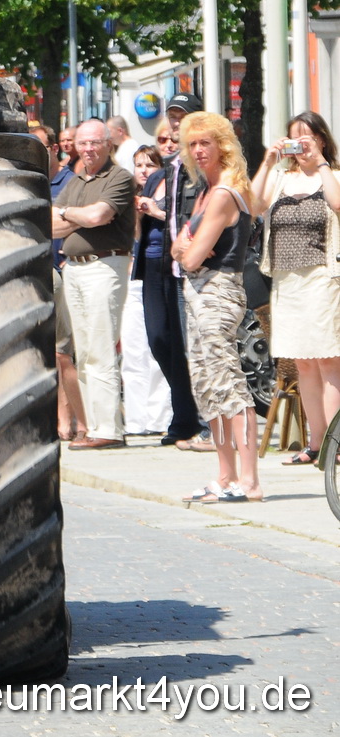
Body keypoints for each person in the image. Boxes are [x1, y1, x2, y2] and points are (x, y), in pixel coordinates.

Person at [172, 113, 261, 502]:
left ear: (222, 144)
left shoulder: (224, 193)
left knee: (227, 382)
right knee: (206, 385)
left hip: (218, 291)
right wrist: (186, 249)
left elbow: (189, 257)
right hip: (197, 293)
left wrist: (187, 250)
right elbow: (182, 249)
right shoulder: (206, 191)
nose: (198, 150)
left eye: (205, 142)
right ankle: (225, 476)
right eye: (192, 144)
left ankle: (250, 481)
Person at [250, 112, 340, 467]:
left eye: (307, 138)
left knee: (329, 360)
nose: (300, 146)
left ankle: (336, 443)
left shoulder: (331, 175)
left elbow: (337, 203)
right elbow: (253, 205)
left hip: (322, 277)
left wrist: (320, 165)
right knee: (302, 362)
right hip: (286, 280)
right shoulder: (281, 178)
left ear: (320, 139)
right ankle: (317, 442)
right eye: (294, 139)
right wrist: (268, 161)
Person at [53, 118, 137, 449]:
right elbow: (51, 224)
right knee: (84, 350)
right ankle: (92, 426)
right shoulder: (76, 181)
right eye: (82, 143)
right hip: (74, 268)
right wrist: (80, 216)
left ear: (108, 144)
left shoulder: (119, 177)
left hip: (105, 265)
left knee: (101, 347)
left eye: (94, 143)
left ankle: (108, 430)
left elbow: (98, 217)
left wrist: (69, 215)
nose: (87, 149)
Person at [133, 117, 204, 447]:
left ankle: (186, 417)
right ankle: (184, 408)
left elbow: (187, 220)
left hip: (178, 264)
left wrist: (157, 212)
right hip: (151, 264)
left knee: (183, 345)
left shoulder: (191, 176)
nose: (167, 144)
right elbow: (140, 229)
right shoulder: (157, 178)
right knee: (158, 339)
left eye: (172, 139)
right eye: (162, 139)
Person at [32, 125, 84, 440]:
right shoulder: (24, 180)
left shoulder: (68, 182)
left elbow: (75, 221)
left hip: (59, 271)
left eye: (39, 147)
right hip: (34, 275)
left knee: (62, 352)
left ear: (54, 149)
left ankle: (67, 422)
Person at [119, 148, 172, 437]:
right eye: (138, 165)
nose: (143, 170)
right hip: (131, 278)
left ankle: (159, 418)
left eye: (150, 164)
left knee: (156, 349)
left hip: (154, 276)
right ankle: (136, 420)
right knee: (132, 350)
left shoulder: (164, 197)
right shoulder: (128, 200)